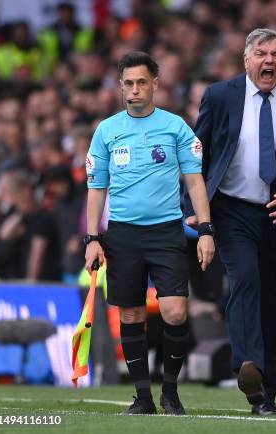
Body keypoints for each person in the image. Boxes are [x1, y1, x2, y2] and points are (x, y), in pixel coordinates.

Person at [193, 28, 276, 416]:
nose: (269, 60)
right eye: (262, 53)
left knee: (273, 300)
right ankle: (248, 362)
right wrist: (194, 206)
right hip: (232, 209)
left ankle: (265, 396)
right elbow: (197, 156)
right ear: (246, 59)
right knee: (245, 278)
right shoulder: (220, 96)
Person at [85, 51, 215, 415]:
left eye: (142, 82)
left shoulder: (175, 127)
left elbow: (194, 180)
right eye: (128, 83)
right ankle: (143, 397)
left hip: (166, 232)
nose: (135, 90)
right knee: (130, 316)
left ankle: (170, 391)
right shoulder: (107, 131)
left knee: (175, 312)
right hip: (123, 235)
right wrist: (93, 239)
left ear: (155, 83)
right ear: (120, 86)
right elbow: (97, 187)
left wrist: (206, 229)